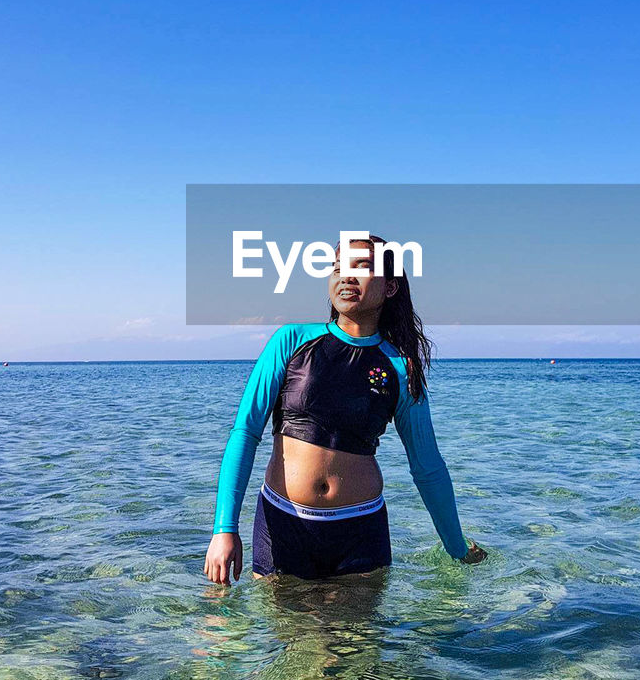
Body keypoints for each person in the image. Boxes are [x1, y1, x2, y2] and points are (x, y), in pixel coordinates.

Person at [204, 234, 488, 585]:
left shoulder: (400, 367)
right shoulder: (291, 341)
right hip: (283, 525)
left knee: (359, 641)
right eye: (337, 267)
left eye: (361, 266)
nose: (345, 276)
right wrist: (224, 529)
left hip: (360, 532)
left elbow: (427, 466)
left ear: (390, 287)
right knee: (284, 639)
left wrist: (456, 548)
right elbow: (245, 434)